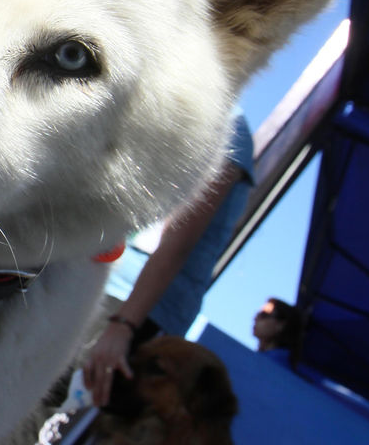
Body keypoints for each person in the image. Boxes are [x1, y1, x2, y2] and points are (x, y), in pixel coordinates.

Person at [82, 112, 255, 407]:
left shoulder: (230, 128)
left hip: (140, 311)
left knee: (64, 415)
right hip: (102, 284)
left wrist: (123, 325)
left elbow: (178, 243)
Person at [253, 297, 303, 368]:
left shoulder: (277, 364)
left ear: (281, 325)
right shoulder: (258, 359)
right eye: (259, 313)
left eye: (264, 314)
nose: (256, 318)